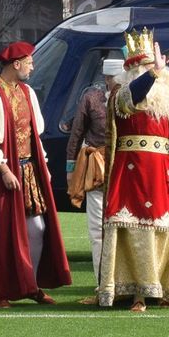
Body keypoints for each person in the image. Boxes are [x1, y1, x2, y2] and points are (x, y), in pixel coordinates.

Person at [0, 41, 71, 308]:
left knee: (37, 228)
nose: (32, 67)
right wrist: (3, 169)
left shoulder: (27, 92)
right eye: (29, 63)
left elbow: (34, 135)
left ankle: (30, 285)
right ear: (16, 64)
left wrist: (42, 166)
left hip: (27, 169)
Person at [96, 30, 169, 312]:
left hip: (161, 171)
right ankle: (135, 292)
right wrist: (154, 73)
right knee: (131, 229)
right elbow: (133, 96)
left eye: (153, 66)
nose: (152, 71)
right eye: (145, 67)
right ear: (132, 70)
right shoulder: (121, 95)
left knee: (162, 229)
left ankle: (162, 288)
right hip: (129, 171)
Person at [66, 57, 121, 271]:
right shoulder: (91, 98)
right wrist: (71, 170)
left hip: (125, 170)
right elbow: (76, 134)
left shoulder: (133, 100)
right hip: (96, 168)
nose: (121, 83)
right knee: (97, 228)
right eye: (116, 78)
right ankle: (101, 279)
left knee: (124, 225)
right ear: (107, 78)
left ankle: (122, 279)